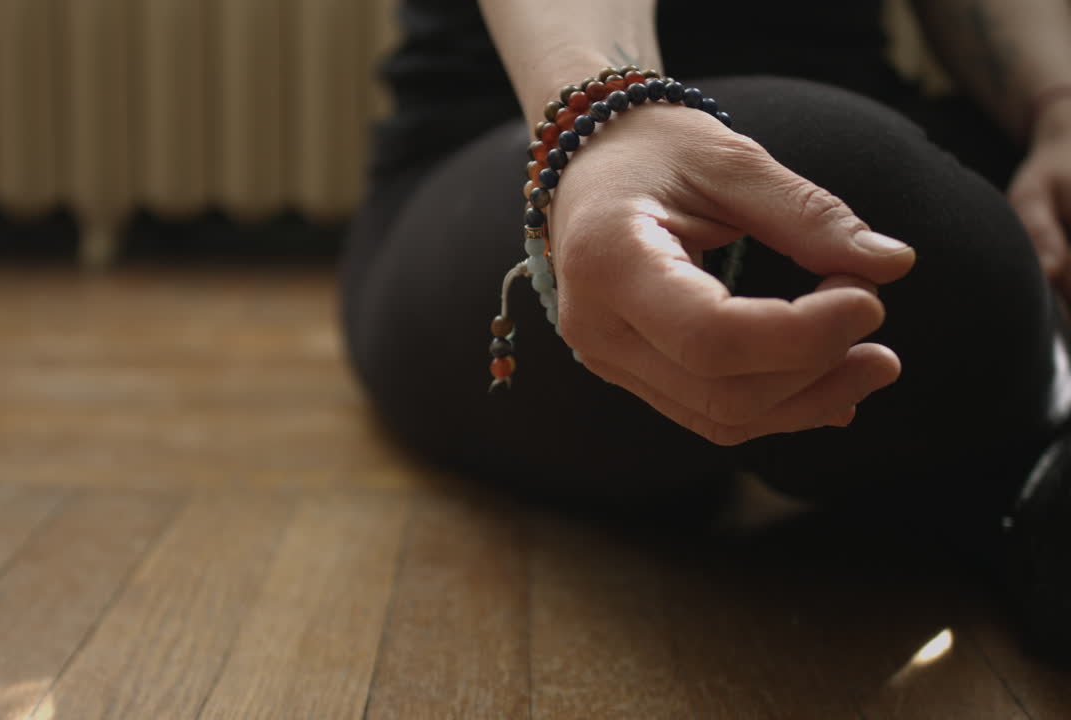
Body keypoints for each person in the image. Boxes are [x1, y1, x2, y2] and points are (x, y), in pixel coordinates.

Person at [341, 0, 1071, 656]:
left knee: (909, 219)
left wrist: (1057, 107)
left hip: (862, 108)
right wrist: (607, 113)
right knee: (855, 211)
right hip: (522, 141)